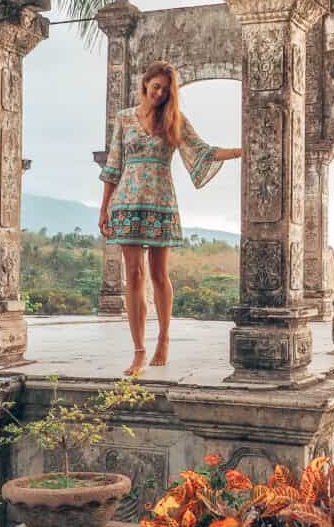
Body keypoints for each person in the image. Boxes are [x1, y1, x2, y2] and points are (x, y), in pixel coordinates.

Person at [98, 60, 241, 376]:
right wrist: (104, 207)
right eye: (156, 86)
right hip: (126, 203)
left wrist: (240, 152)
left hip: (160, 203)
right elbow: (112, 166)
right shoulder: (123, 119)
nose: (160, 93)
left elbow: (203, 152)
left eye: (166, 89)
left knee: (158, 274)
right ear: (146, 83)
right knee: (133, 275)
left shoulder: (174, 120)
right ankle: (138, 351)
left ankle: (163, 338)